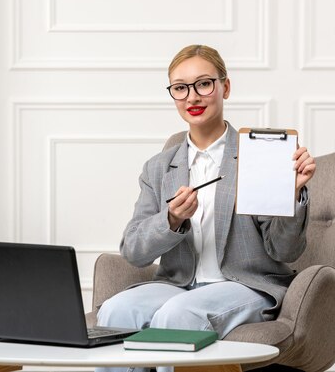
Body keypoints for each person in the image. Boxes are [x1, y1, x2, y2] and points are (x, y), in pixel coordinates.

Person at [96, 45, 316, 372]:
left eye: (204, 84)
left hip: (245, 285)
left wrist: (292, 194)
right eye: (180, 88)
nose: (192, 97)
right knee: (115, 312)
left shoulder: (258, 156)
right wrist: (171, 219)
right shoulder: (159, 168)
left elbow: (285, 250)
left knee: (179, 315)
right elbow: (134, 251)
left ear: (225, 87)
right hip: (177, 283)